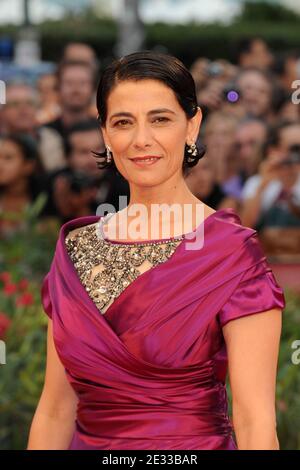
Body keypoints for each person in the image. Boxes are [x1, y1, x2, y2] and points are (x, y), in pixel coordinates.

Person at [27, 51, 285, 450]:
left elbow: (254, 423)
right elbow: (55, 410)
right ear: (105, 134)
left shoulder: (232, 254)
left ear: (192, 125)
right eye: (123, 122)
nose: (141, 139)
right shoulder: (75, 249)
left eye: (160, 119)